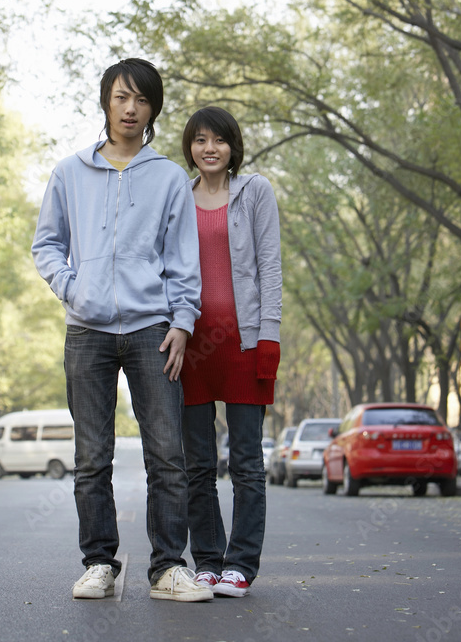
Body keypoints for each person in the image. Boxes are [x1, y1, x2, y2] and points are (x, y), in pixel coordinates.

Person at [31, 58, 213, 603]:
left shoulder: (167, 179)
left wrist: (182, 322)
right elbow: (46, 245)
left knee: (166, 452)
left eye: (141, 100)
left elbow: (184, 260)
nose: (130, 108)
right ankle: (98, 563)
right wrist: (73, 287)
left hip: (151, 330)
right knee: (92, 456)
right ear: (106, 103)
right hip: (86, 331)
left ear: (153, 108)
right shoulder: (69, 172)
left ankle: (167, 569)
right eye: (120, 97)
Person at [180, 106, 282, 597]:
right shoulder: (176, 194)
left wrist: (270, 338)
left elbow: (270, 269)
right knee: (196, 464)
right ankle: (207, 559)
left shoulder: (255, 192)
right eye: (200, 140)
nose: (209, 148)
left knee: (246, 462)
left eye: (218, 140)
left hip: (243, 344)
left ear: (232, 146)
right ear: (190, 147)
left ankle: (240, 564)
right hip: (189, 345)